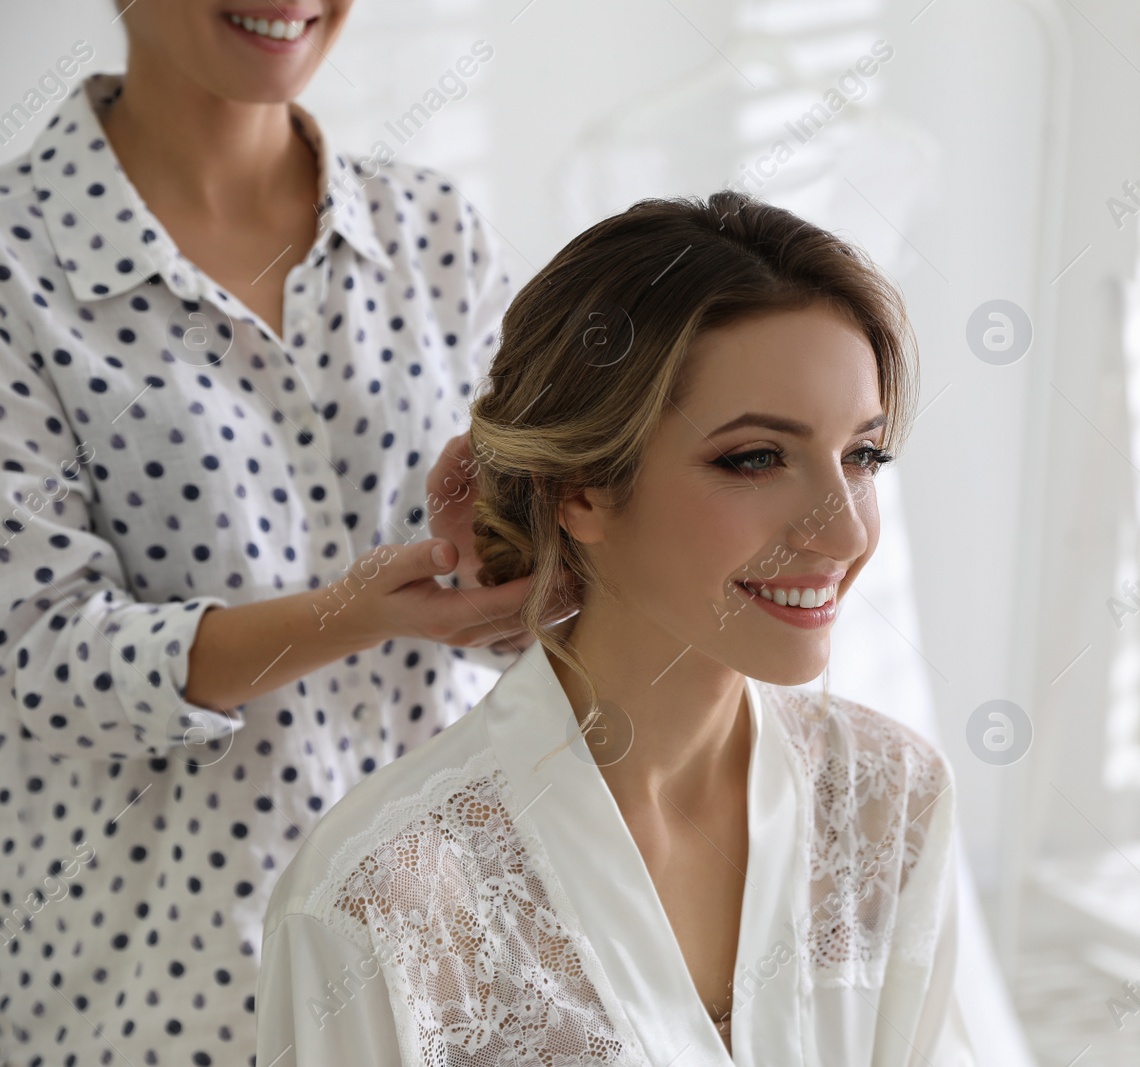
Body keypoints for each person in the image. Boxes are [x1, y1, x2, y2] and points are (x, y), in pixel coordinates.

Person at [253, 189, 978, 1065]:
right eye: (755, 458)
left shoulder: (889, 799)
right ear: (582, 492)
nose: (847, 530)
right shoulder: (382, 897)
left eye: (861, 454)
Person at [0, 3, 555, 1062]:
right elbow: (40, 659)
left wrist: (513, 562)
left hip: (444, 974)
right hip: (167, 1001)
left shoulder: (435, 233)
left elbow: (535, 611)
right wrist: (345, 616)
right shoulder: (17, 264)